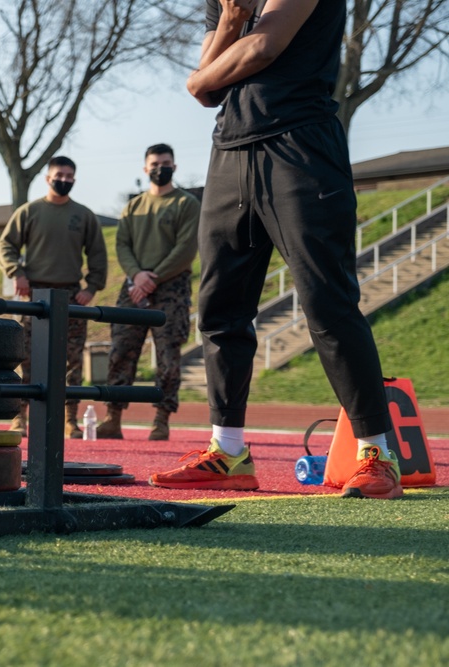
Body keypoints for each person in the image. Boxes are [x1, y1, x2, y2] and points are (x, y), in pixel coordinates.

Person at [150, 0, 401, 499]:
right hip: (231, 150)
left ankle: (377, 453)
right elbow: (209, 83)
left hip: (300, 144)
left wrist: (203, 78)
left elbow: (257, 50)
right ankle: (229, 453)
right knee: (220, 308)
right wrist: (227, 22)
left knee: (326, 301)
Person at [0, 156, 107, 437]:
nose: (64, 180)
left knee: (71, 360)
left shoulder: (83, 215)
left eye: (70, 176)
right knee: (25, 357)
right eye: (60, 174)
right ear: (48, 178)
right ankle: (19, 416)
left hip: (71, 294)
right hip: (34, 294)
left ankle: (69, 419)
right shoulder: (30, 211)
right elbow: (6, 245)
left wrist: (91, 288)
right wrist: (16, 272)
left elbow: (97, 255)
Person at [96, 144, 199, 441]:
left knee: (168, 356)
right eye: (154, 163)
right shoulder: (133, 207)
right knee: (119, 351)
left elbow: (186, 249)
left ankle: (161, 419)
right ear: (145, 169)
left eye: (165, 163)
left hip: (171, 288)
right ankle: (113, 418)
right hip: (134, 286)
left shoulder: (186, 203)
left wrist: (152, 279)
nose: (159, 168)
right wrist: (137, 276)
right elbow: (122, 245)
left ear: (174, 166)